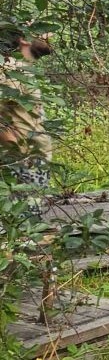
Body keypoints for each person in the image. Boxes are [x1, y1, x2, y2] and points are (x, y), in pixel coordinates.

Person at [1, 33, 56, 320]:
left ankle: (16, 295)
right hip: (23, 166)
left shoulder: (26, 71)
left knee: (27, 234)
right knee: (19, 235)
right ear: (23, 37)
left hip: (34, 165)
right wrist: (17, 151)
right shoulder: (9, 70)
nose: (50, 35)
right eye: (42, 30)